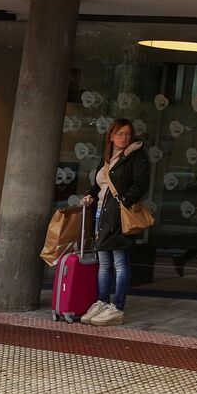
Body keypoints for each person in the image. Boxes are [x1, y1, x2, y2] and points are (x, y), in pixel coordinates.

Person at [80, 118, 150, 326]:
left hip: (120, 215)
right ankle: (102, 301)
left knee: (119, 262)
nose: (124, 138)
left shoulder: (136, 156)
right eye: (120, 133)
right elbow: (99, 184)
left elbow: (141, 184)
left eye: (128, 134)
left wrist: (124, 202)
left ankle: (117, 306)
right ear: (111, 136)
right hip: (102, 214)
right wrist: (90, 195)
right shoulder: (108, 157)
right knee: (104, 262)